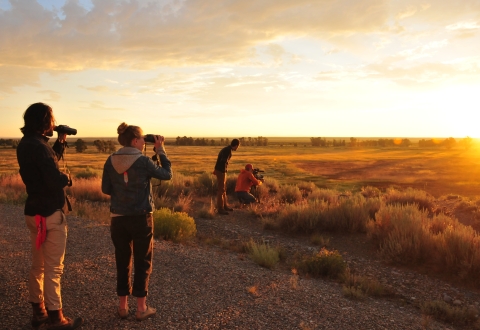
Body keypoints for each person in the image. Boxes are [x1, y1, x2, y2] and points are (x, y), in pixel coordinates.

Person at [16, 102, 83, 330]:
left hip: (33, 213)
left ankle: (39, 312)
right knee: (54, 269)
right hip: (50, 215)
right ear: (45, 121)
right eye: (51, 120)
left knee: (38, 266)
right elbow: (52, 177)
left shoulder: (26, 144)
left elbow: (45, 164)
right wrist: (67, 178)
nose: (53, 123)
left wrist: (60, 143)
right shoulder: (39, 147)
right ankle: (57, 319)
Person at [101, 122, 172, 321]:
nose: (144, 142)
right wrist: (161, 150)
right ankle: (141, 308)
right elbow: (167, 174)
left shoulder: (110, 160)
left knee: (122, 260)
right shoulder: (142, 161)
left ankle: (122, 306)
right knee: (142, 261)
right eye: (142, 139)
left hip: (118, 218)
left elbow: (106, 189)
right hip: (142, 218)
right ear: (134, 140)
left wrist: (122, 192)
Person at [213, 139, 240, 215]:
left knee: (223, 189)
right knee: (221, 190)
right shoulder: (227, 150)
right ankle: (220, 208)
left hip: (220, 170)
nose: (237, 148)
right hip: (221, 171)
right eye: (237, 146)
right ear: (236, 145)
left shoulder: (227, 149)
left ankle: (224, 206)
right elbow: (223, 161)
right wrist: (223, 171)